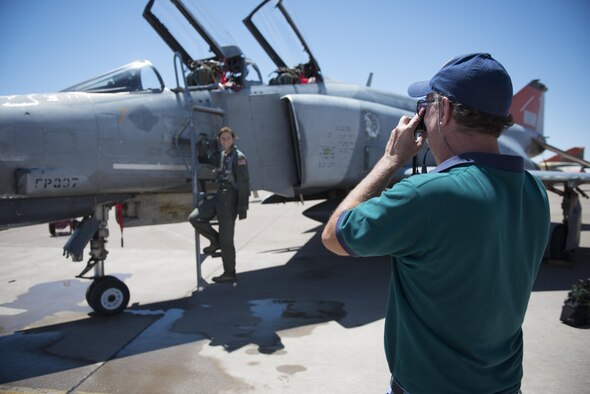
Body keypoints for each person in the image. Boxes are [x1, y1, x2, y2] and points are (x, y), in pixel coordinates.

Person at [322, 53, 550, 393]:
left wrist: (389, 161)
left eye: (426, 104)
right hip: (504, 385)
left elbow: (334, 235)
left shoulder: (424, 196)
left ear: (443, 110)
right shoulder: (534, 190)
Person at [189, 126, 250, 284]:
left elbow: (244, 184)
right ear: (219, 140)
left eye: (228, 138)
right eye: (222, 138)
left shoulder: (239, 157)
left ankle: (229, 273)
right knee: (194, 218)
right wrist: (201, 148)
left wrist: (243, 207)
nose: (225, 141)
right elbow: (206, 160)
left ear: (233, 139)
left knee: (227, 241)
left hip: (230, 202)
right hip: (219, 198)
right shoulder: (222, 155)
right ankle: (215, 241)